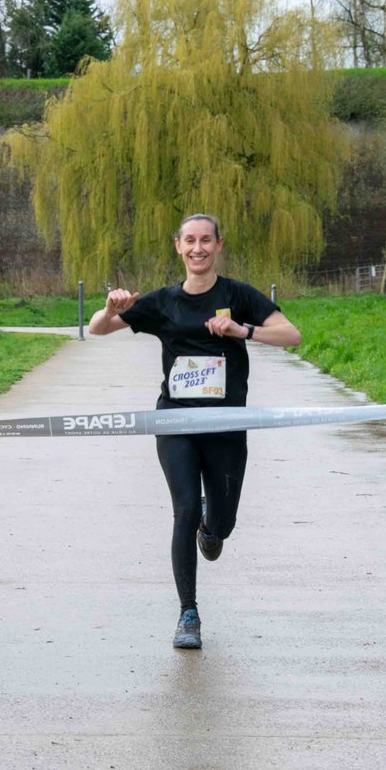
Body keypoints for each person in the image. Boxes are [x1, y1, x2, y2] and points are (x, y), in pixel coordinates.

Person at [89, 213, 301, 649]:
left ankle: (213, 526)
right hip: (175, 422)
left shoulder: (236, 294)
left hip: (226, 424)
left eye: (206, 240)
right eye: (190, 241)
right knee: (184, 510)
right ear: (178, 246)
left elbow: (291, 334)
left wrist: (242, 330)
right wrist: (111, 308)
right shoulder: (164, 301)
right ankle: (188, 613)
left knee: (221, 524)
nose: (198, 249)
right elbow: (97, 329)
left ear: (219, 245)